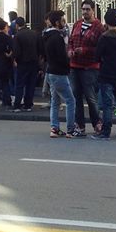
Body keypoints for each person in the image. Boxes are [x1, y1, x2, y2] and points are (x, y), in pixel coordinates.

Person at [90, 8, 116, 140]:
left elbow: (97, 56)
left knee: (107, 105)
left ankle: (106, 131)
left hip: (106, 74)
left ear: (105, 21)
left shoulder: (104, 37)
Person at [68, 0, 104, 135]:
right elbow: (71, 40)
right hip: (75, 65)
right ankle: (80, 126)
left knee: (91, 97)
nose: (85, 12)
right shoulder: (77, 24)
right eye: (83, 9)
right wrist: (70, 50)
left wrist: (84, 50)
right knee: (76, 96)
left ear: (93, 10)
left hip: (90, 66)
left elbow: (99, 48)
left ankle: (97, 123)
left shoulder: (99, 27)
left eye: (88, 9)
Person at [42, 10, 77, 138]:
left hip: (51, 71)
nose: (64, 23)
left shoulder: (47, 36)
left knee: (55, 101)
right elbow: (61, 57)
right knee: (70, 101)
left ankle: (55, 128)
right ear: (57, 23)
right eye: (62, 20)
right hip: (59, 73)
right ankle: (70, 129)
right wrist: (68, 57)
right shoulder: (57, 37)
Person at [11, 17, 42, 112]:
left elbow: (16, 51)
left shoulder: (18, 35)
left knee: (19, 84)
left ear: (17, 25)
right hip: (33, 62)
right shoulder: (34, 34)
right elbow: (40, 48)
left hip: (22, 62)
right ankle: (28, 104)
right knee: (30, 84)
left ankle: (17, 105)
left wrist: (14, 60)